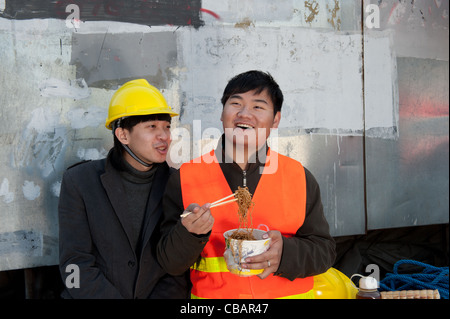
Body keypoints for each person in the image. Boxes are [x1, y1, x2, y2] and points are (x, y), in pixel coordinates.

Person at [157, 70, 336, 299]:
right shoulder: (184, 178)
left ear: (276, 119)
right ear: (222, 115)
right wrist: (189, 234)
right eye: (235, 103)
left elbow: (325, 252)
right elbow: (169, 263)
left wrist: (286, 254)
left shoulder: (299, 177)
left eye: (258, 107)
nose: (244, 114)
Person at [58, 79, 190, 299]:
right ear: (123, 135)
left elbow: (177, 267)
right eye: (152, 127)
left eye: (167, 127)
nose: (164, 136)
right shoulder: (79, 181)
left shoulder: (176, 183)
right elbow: (75, 264)